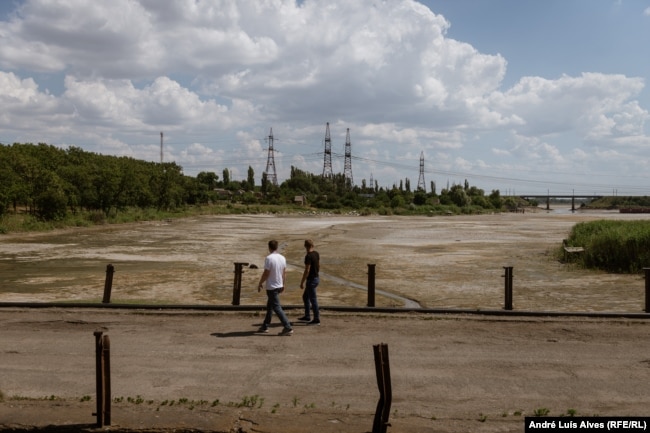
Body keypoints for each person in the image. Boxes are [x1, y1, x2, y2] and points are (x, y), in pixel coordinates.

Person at [257, 240, 293, 336]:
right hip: (279, 285)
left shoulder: (269, 258)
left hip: (272, 286)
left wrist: (260, 283)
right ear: (277, 247)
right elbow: (284, 273)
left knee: (276, 307)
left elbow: (266, 273)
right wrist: (283, 284)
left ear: (269, 247)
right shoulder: (282, 258)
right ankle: (265, 325)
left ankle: (287, 327)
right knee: (270, 306)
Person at [298, 239, 320, 325]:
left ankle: (316, 319)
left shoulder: (308, 256)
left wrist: (302, 282)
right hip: (316, 278)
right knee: (305, 297)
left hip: (311, 280)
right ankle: (307, 316)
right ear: (312, 245)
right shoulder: (316, 253)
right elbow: (318, 265)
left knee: (313, 300)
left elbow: (307, 270)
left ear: (306, 246)